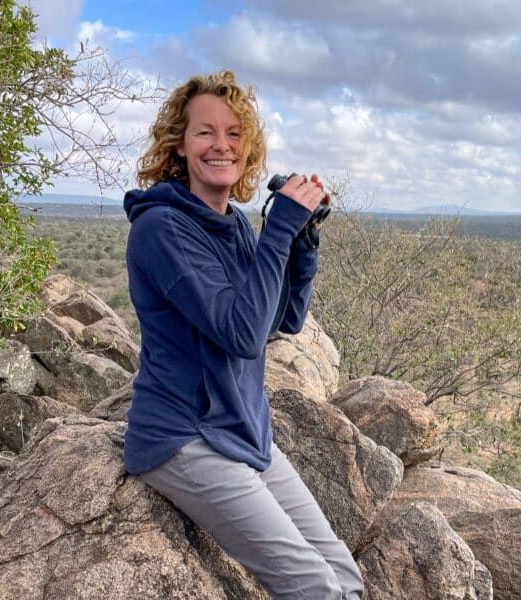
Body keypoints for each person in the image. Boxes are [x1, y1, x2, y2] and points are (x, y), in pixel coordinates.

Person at [122, 70, 365, 599]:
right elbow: (240, 335)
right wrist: (277, 229)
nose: (221, 145)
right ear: (180, 146)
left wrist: (302, 243)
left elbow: (281, 321)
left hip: (242, 430)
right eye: (205, 132)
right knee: (315, 588)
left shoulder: (232, 224)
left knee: (345, 578)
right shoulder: (161, 228)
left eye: (235, 134)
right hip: (184, 437)